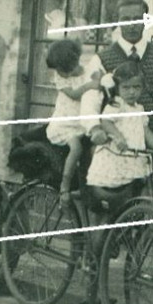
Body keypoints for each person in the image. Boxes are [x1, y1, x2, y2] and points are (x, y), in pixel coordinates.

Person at [62, 60, 153, 304]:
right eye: (128, 87)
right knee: (99, 234)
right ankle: (90, 295)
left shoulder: (139, 109)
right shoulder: (114, 105)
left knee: (120, 225)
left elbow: (145, 131)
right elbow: (106, 123)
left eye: (137, 87)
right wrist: (117, 135)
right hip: (109, 171)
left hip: (132, 169)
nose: (132, 92)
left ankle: (107, 258)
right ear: (118, 87)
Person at [97, 0, 153, 146]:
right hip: (117, 144)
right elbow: (91, 102)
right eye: (126, 19)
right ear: (118, 22)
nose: (132, 25)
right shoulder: (102, 58)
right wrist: (95, 129)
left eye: (137, 19)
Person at [43, 38, 104, 201]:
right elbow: (75, 95)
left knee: (94, 150)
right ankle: (65, 185)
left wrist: (101, 79)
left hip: (82, 121)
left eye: (63, 69)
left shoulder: (87, 70)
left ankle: (87, 187)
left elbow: (99, 77)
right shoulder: (61, 79)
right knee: (76, 148)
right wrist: (90, 86)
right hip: (66, 123)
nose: (60, 73)